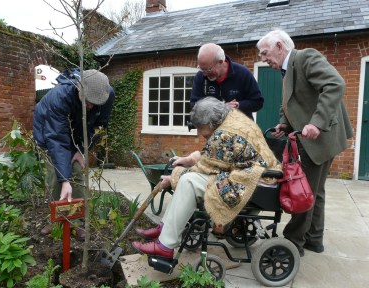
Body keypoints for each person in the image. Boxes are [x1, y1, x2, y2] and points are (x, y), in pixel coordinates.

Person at [132, 97, 281, 258]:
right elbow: (214, 157)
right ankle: (165, 229)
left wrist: (172, 177)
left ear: (210, 123)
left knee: (188, 181)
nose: (198, 133)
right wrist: (189, 160)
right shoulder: (231, 119)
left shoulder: (224, 134)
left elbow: (206, 168)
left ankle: (165, 246)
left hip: (254, 181)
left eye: (200, 128)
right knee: (188, 179)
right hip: (257, 173)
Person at [256, 29, 353, 256]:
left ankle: (292, 244)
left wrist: (317, 123)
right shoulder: (287, 69)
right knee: (315, 191)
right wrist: (284, 124)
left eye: (264, 52)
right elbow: (291, 103)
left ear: (280, 46)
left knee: (302, 191)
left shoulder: (306, 57)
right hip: (317, 137)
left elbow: (335, 84)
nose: (262, 59)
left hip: (320, 137)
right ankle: (314, 239)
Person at [33, 68, 115, 238]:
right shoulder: (59, 97)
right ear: (78, 87)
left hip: (75, 133)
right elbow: (56, 139)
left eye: (95, 103)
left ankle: (79, 221)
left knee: (77, 172)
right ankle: (56, 221)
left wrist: (80, 150)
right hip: (48, 132)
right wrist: (64, 179)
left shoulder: (106, 95)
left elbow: (98, 125)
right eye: (87, 101)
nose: (91, 106)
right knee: (56, 177)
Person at [190, 43, 264, 120]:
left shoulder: (243, 73)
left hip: (240, 127)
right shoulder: (200, 76)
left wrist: (238, 105)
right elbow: (194, 105)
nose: (204, 74)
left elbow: (257, 102)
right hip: (211, 129)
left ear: (220, 62)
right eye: (202, 69)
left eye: (208, 69)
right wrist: (222, 108)